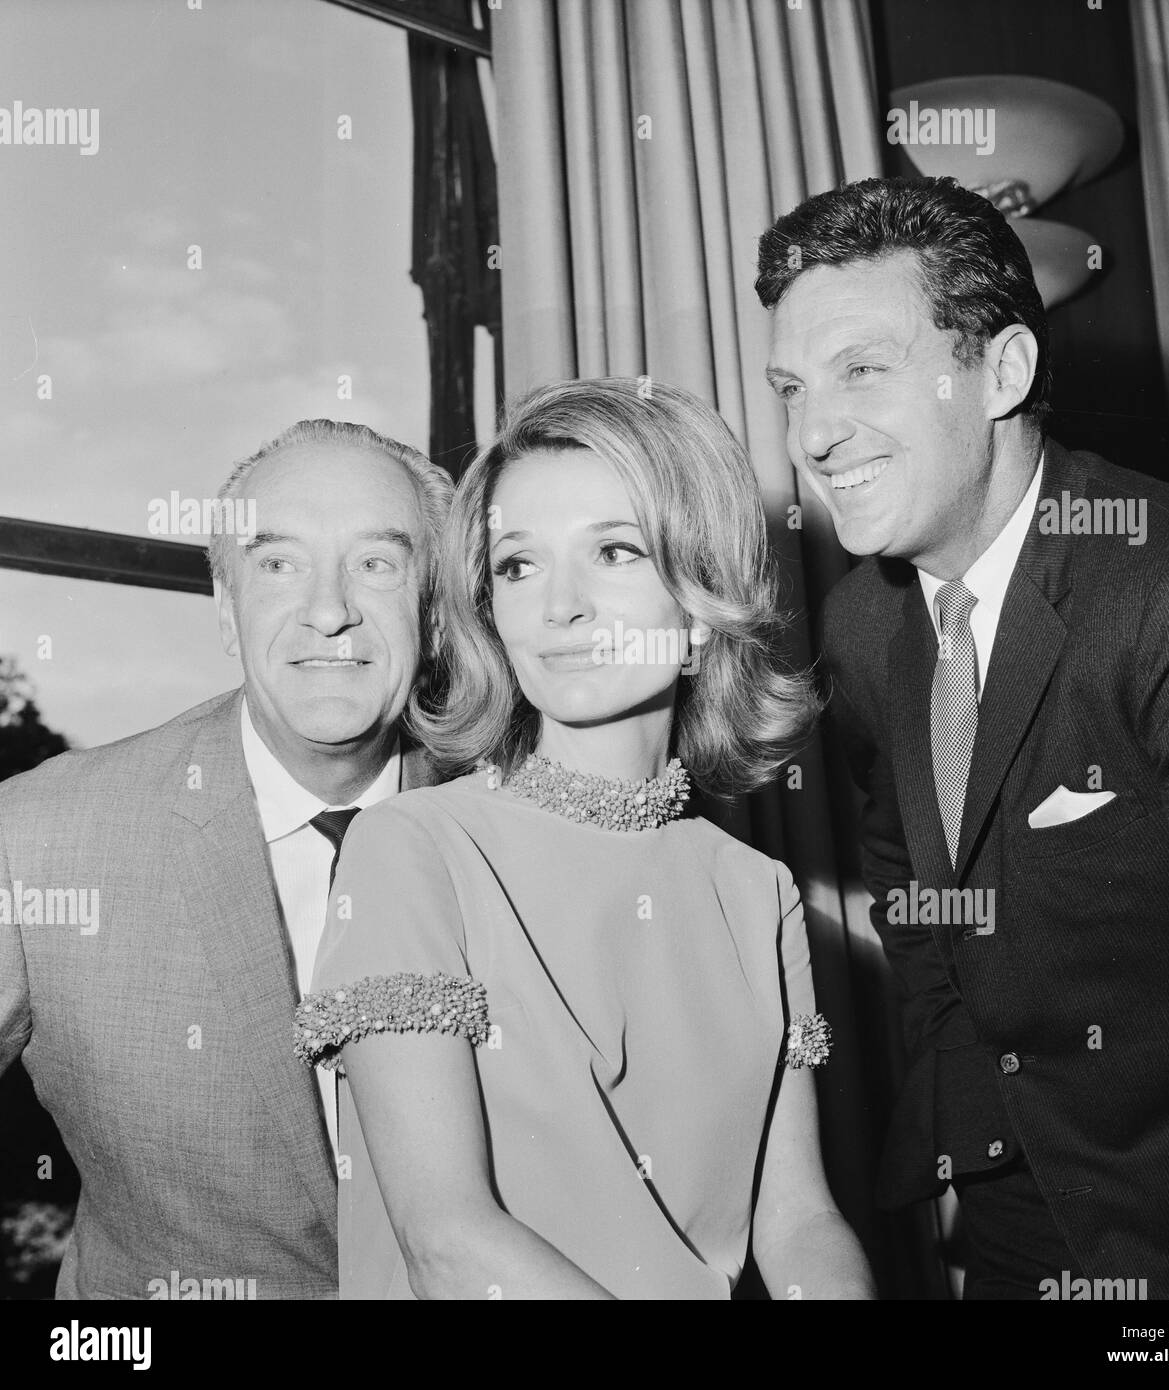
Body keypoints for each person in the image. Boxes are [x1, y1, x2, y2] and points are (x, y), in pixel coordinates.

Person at [756, 174, 1169, 1299]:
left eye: (862, 369)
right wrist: (975, 1148)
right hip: (1008, 1228)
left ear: (1002, 370)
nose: (811, 432)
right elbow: (915, 890)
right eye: (790, 386)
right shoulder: (861, 623)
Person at [294, 378, 874, 1300]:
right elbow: (447, 1239)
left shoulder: (755, 890)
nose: (558, 606)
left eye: (614, 551)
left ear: (701, 603)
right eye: (519, 565)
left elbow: (799, 1220)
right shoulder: (411, 849)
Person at [0, 419, 452, 1298]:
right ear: (224, 609)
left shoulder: (520, 818)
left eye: (377, 564)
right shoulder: (39, 840)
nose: (329, 611)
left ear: (433, 615)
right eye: (278, 565)